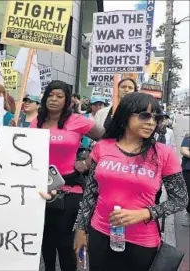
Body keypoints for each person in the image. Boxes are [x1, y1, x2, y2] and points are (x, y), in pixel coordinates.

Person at [73, 92, 188, 271]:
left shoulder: (163, 154)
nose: (151, 122)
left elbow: (180, 199)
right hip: (100, 233)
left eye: (155, 117)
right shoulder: (103, 147)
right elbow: (90, 193)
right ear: (126, 116)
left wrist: (145, 213)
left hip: (141, 242)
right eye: (144, 116)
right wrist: (81, 229)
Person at [31, 80, 104, 271]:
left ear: (67, 100)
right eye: (50, 95)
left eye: (59, 96)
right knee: (45, 243)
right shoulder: (35, 122)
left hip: (70, 190)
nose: (53, 99)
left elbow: (106, 140)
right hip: (41, 191)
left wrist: (87, 162)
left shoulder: (77, 121)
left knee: (65, 245)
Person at [181, 134, 190, 226]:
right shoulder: (188, 137)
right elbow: (184, 150)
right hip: (188, 170)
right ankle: (189, 214)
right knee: (188, 193)